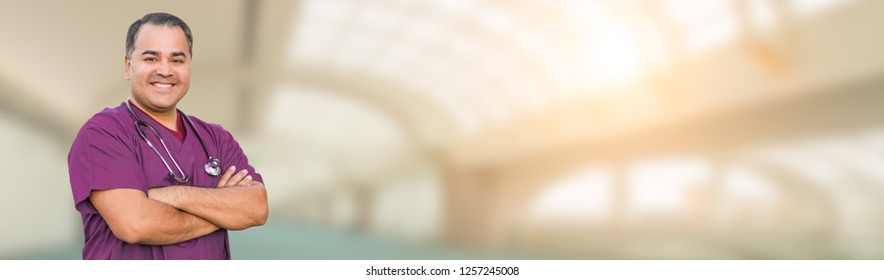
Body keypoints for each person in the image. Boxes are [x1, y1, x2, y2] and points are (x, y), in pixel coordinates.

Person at [67, 12, 268, 260]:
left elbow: (257, 208)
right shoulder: (102, 134)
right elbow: (135, 224)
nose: (165, 70)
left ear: (188, 67)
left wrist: (173, 195)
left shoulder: (216, 139)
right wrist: (220, 210)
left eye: (177, 60)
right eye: (151, 58)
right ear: (129, 66)